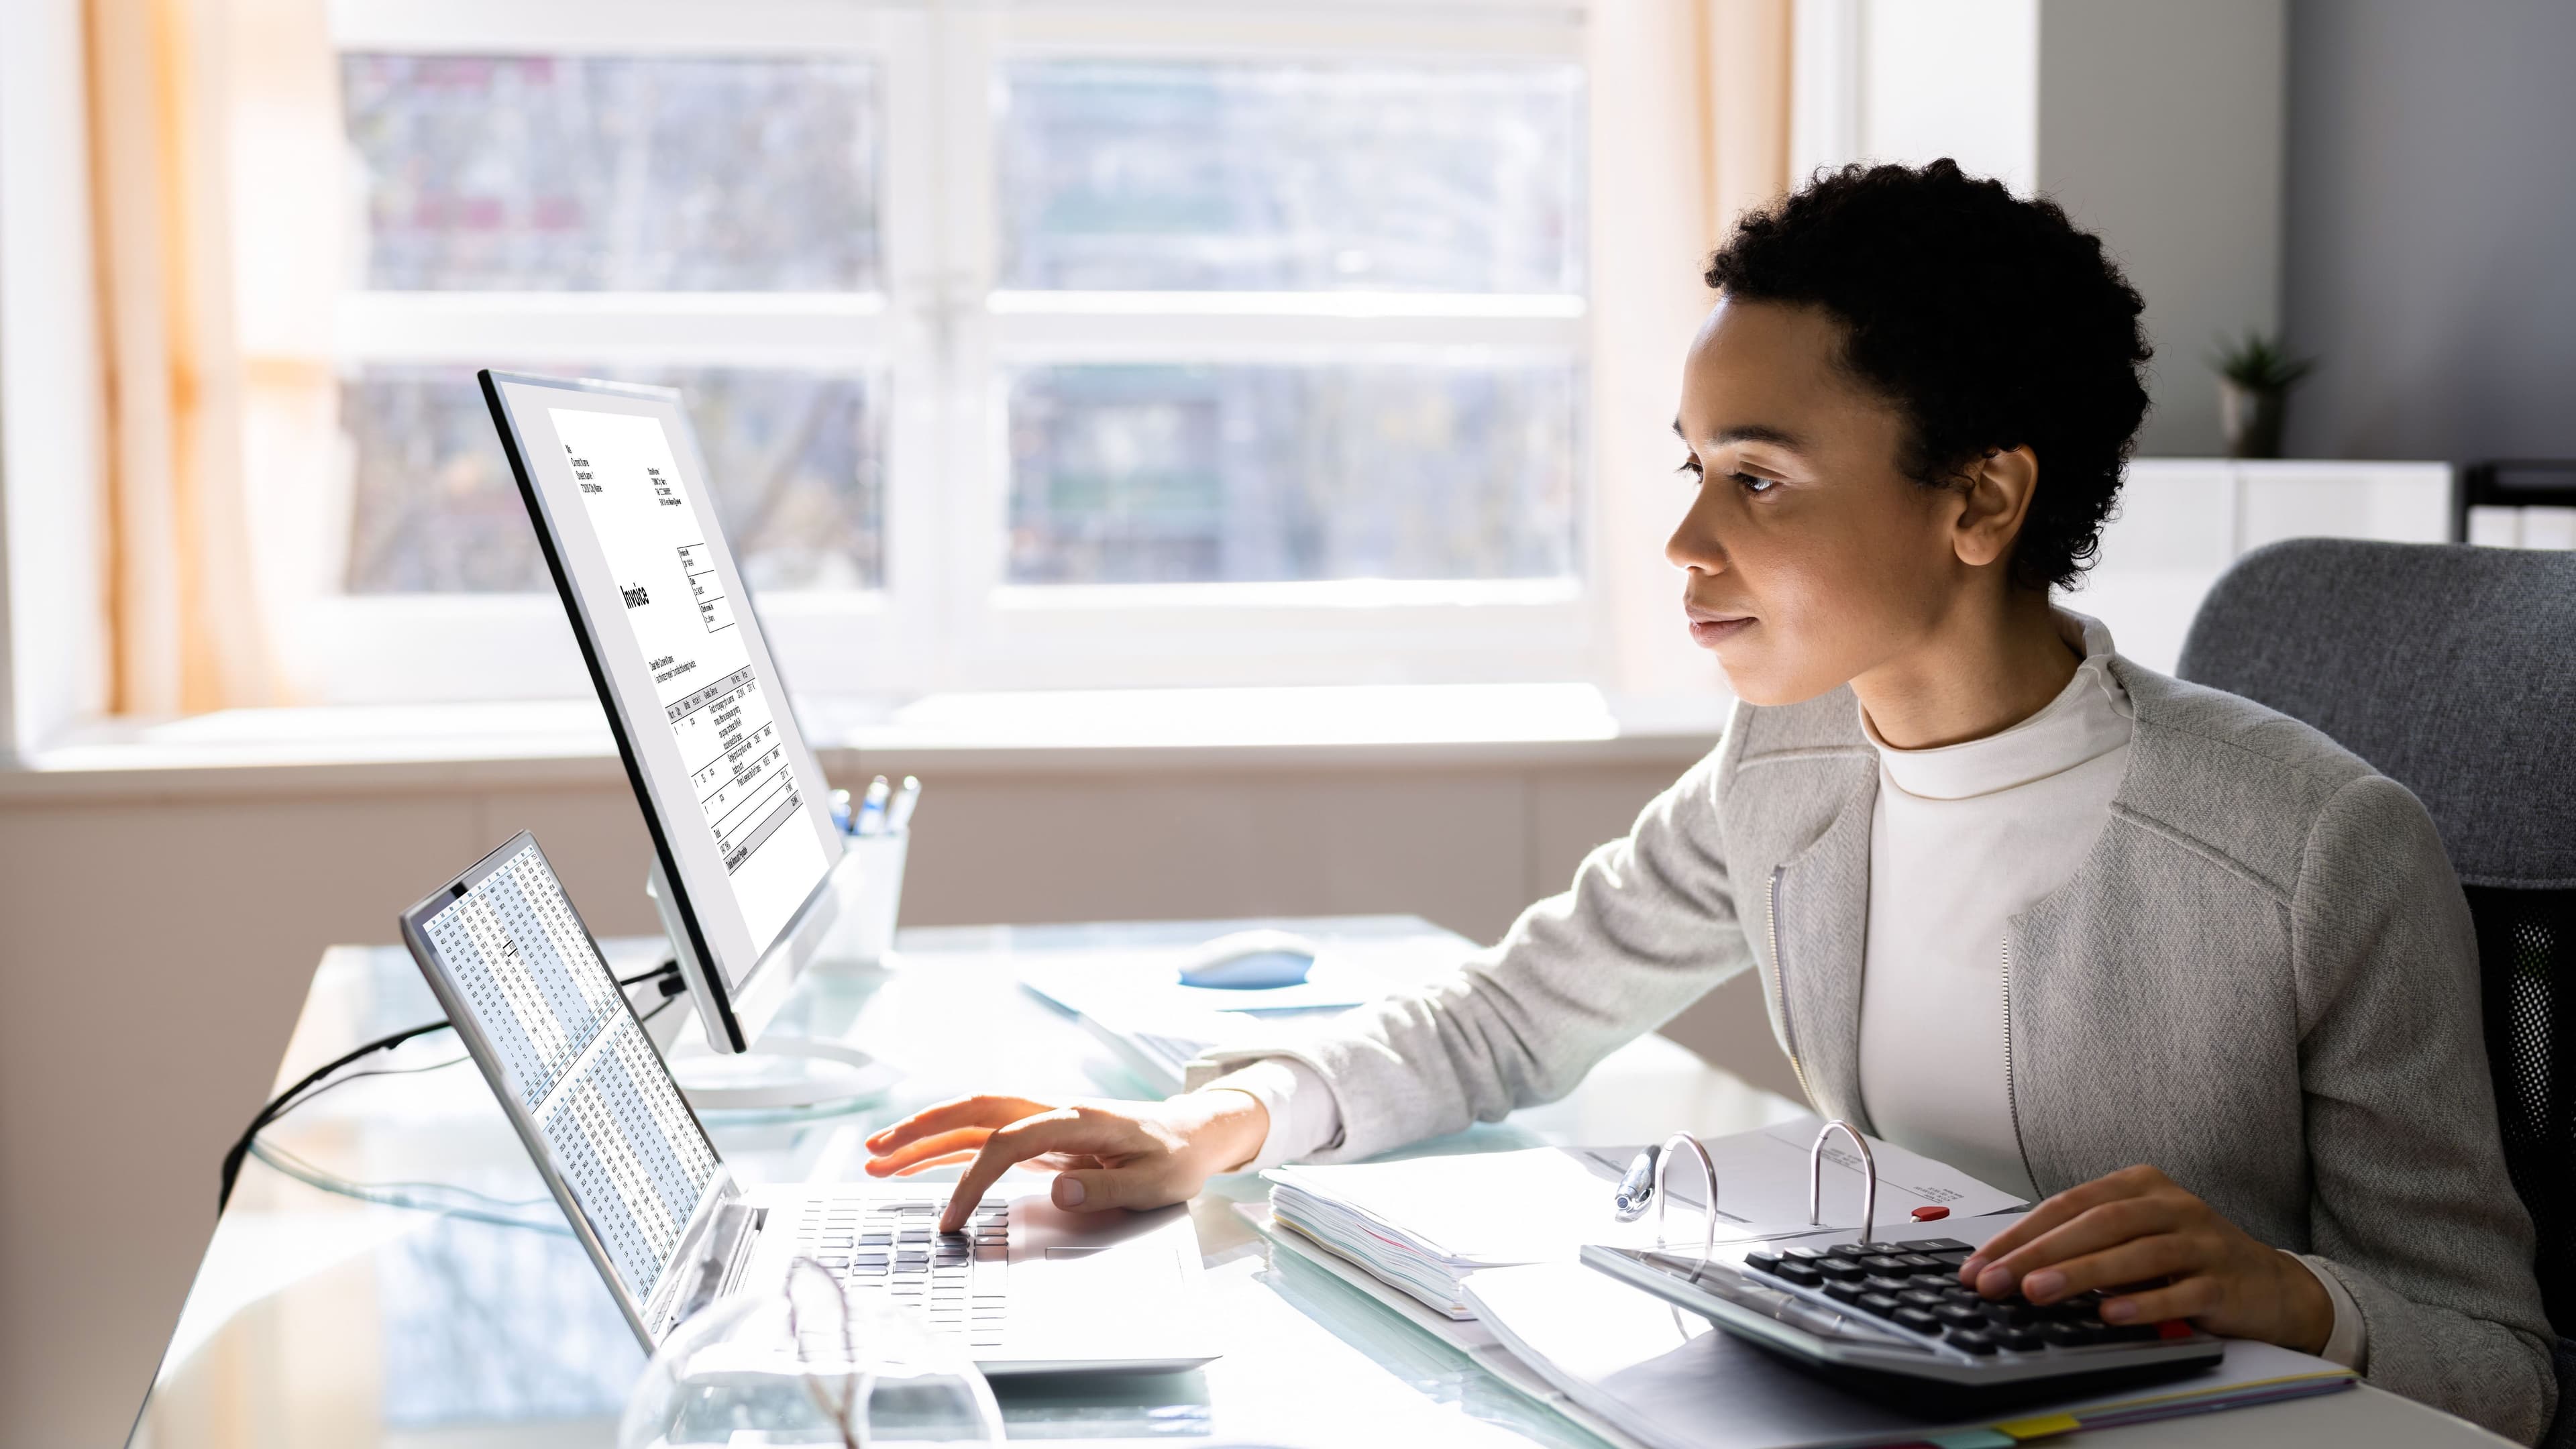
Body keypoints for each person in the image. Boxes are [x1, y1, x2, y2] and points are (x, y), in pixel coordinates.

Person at [863, 160, 2558, 1442]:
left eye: (1759, 480)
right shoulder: (1791, 763)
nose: (1687, 547)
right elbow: (1512, 1017)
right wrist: (1206, 1126)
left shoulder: (2320, 850)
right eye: (1695, 470)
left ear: (1981, 499)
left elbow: (2505, 1369)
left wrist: (2293, 1295)